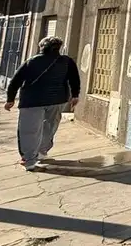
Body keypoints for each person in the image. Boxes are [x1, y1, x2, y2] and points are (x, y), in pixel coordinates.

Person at [5, 36, 81, 171]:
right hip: (57, 100)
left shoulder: (32, 61)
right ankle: (41, 151)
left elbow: (15, 81)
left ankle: (29, 159)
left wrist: (10, 99)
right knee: (49, 127)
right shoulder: (67, 61)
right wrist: (75, 95)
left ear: (42, 47)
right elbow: (74, 79)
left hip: (32, 101)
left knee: (30, 130)